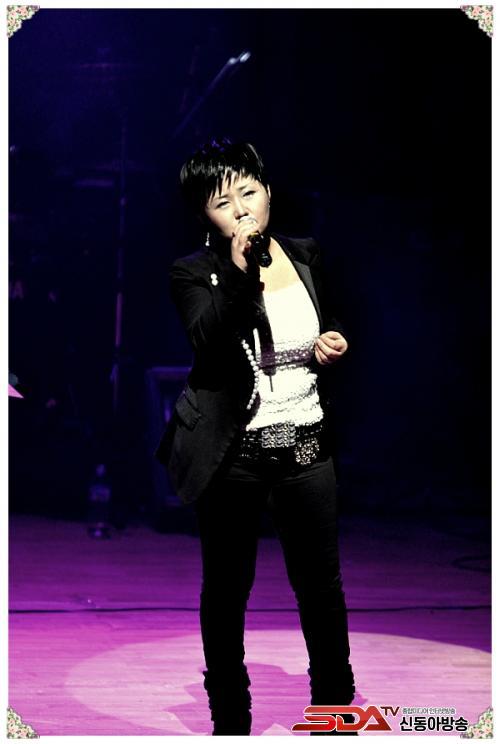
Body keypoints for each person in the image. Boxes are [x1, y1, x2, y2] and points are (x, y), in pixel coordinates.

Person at [155, 138, 356, 736]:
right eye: (223, 202)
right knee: (226, 592)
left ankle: (335, 714)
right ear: (204, 215)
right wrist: (243, 272)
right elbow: (209, 341)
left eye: (248, 192)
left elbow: (326, 319)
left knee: (321, 589)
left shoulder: (305, 252)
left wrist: (331, 342)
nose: (242, 209)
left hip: (306, 446)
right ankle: (231, 720)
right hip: (234, 455)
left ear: (268, 191)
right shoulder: (194, 273)